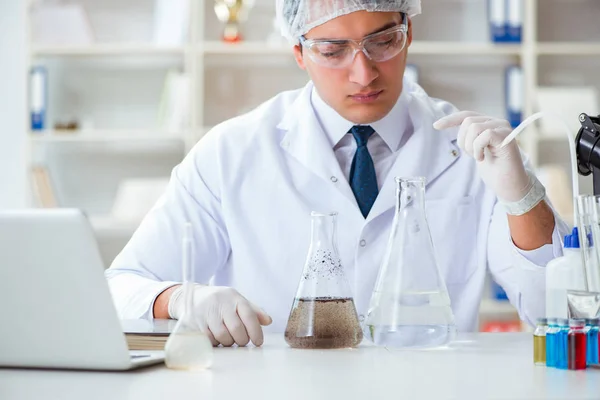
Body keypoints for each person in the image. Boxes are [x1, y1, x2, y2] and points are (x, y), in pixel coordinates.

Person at [106, 0, 569, 347]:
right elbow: (119, 286)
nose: (364, 73)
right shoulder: (231, 153)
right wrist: (181, 298)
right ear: (299, 52)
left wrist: (521, 196)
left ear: (408, 31)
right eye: (333, 50)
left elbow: (559, 312)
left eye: (383, 41)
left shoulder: (475, 151)